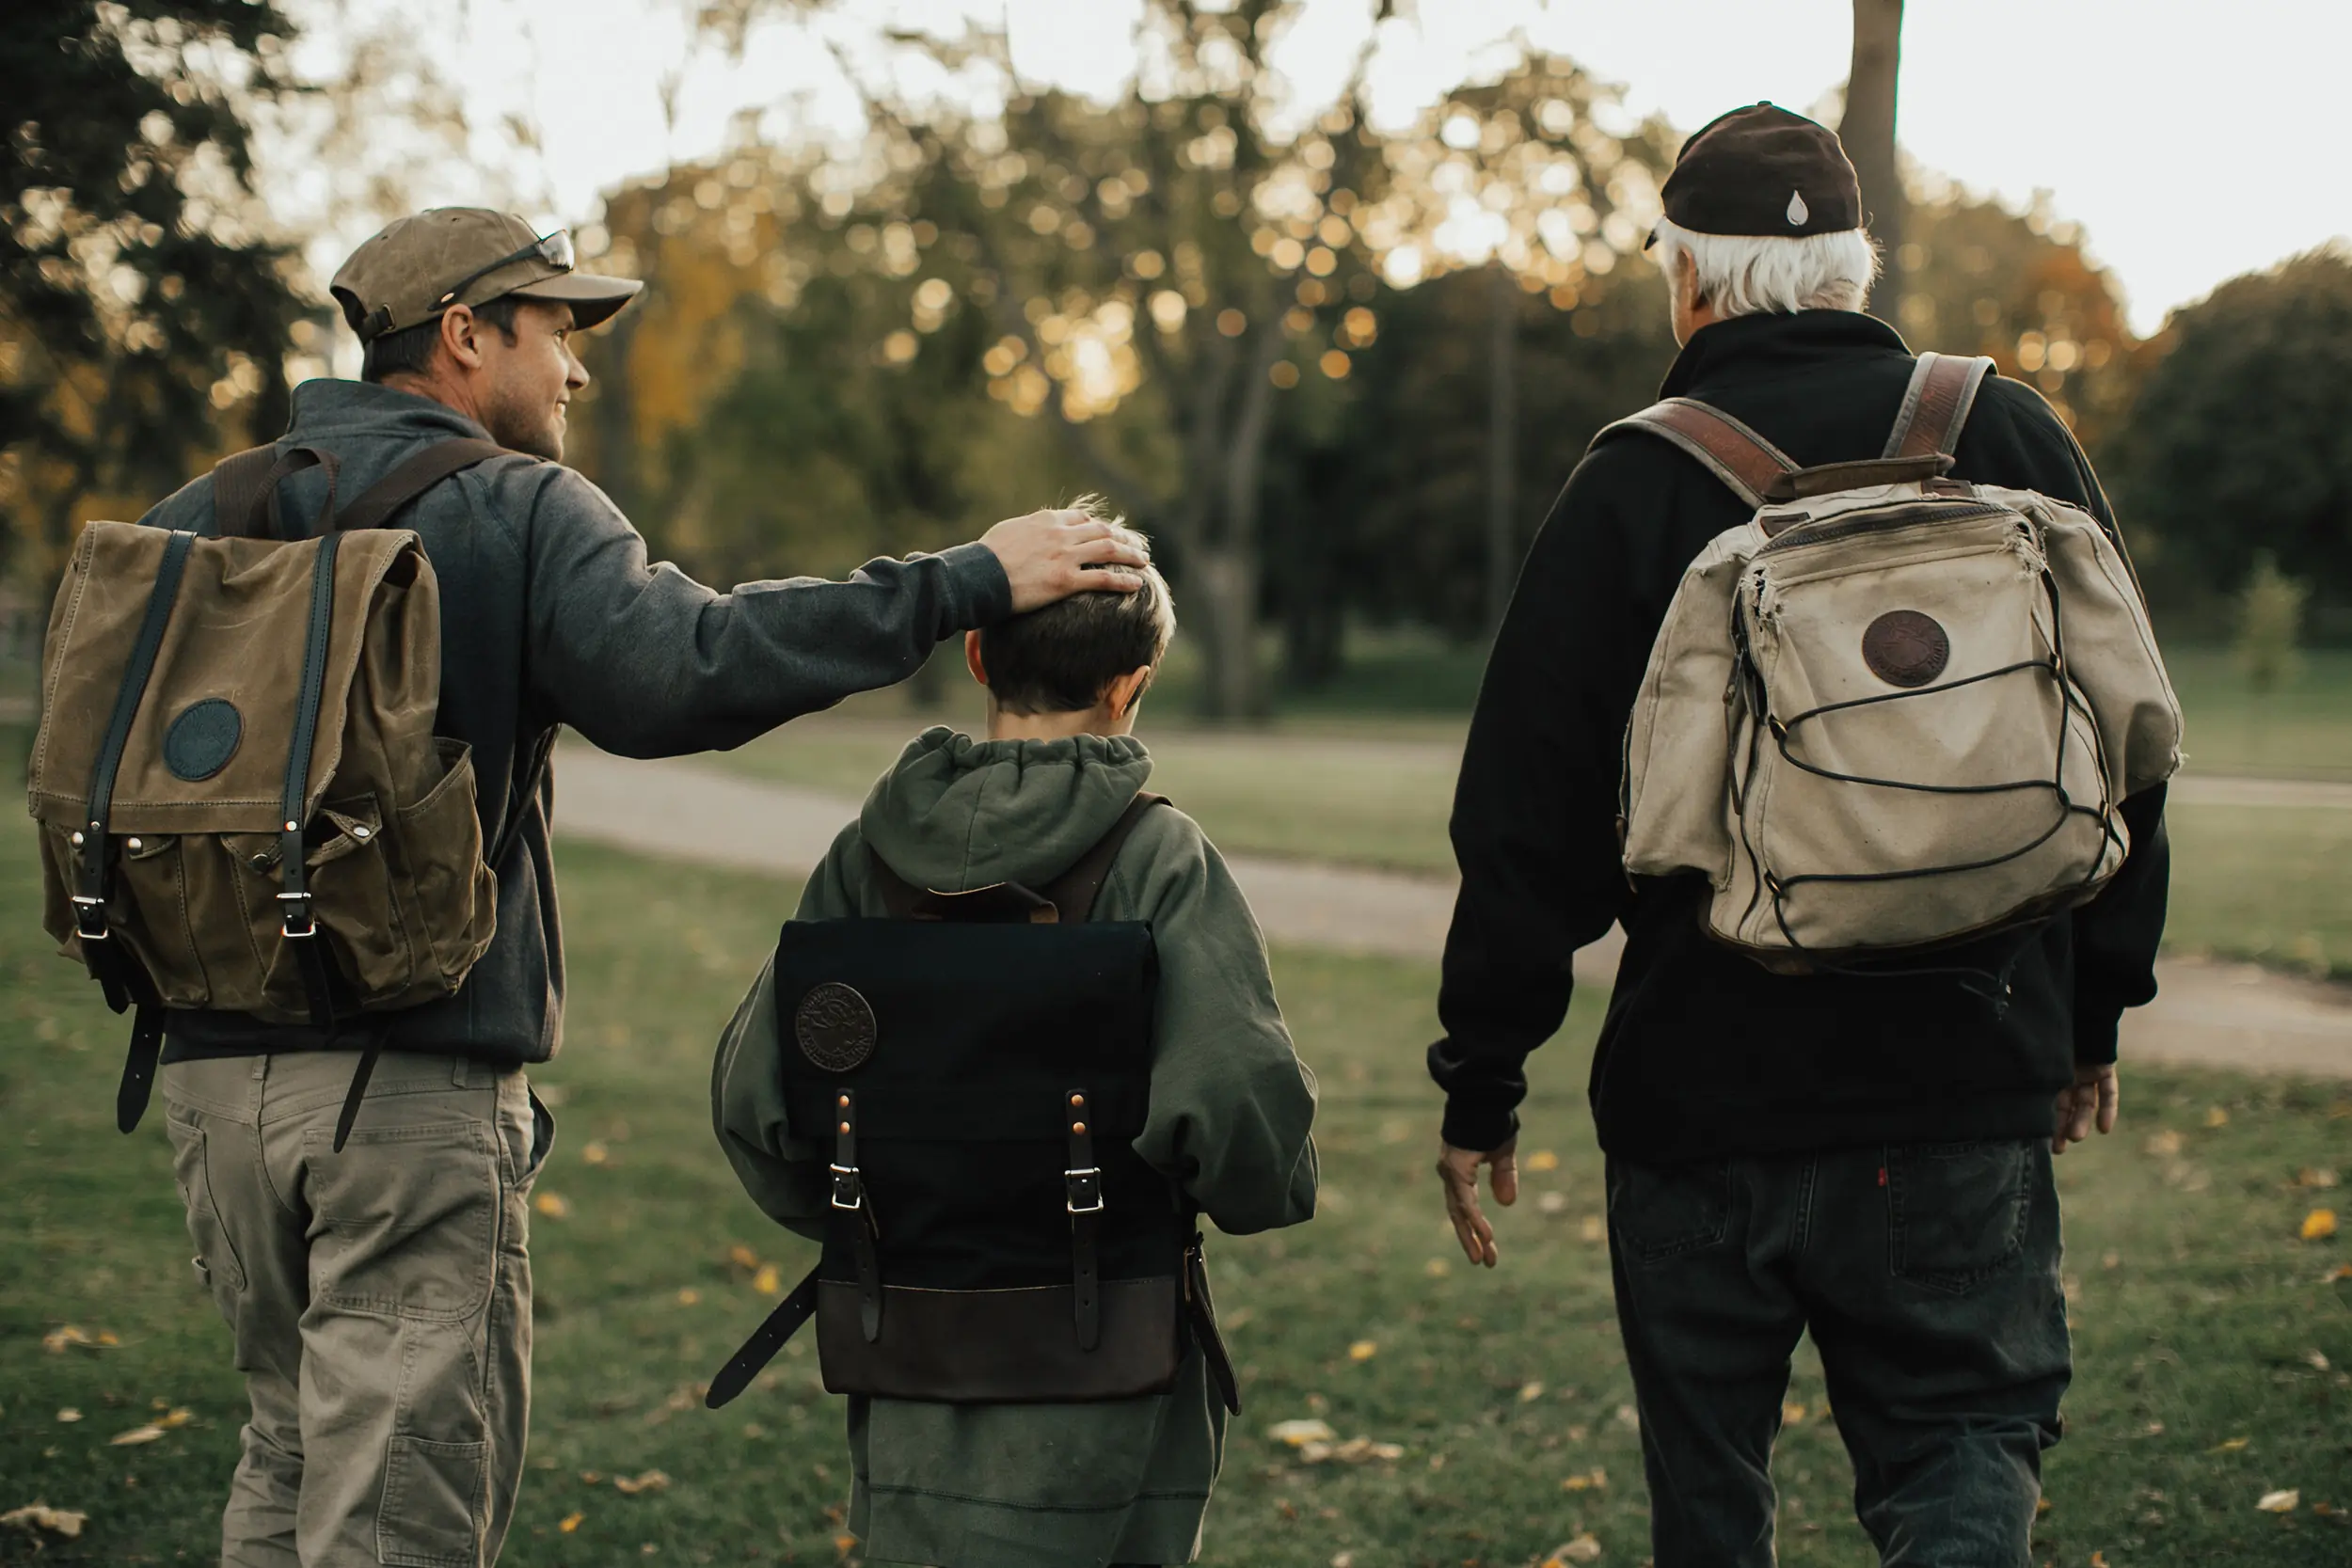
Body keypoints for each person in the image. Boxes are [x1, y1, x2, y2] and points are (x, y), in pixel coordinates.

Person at [145, 207, 1149, 1568]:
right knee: (398, 1506)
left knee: (287, 1448)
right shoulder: (511, 504)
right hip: (401, 1092)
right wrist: (960, 578)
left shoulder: (201, 511)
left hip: (208, 1088)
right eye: (556, 330)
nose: (575, 369)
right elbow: (690, 667)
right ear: (463, 334)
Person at [1426, 106, 2169, 1567]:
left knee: (1713, 1501)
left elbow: (1526, 824)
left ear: (1687, 282)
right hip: (1968, 1069)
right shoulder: (2006, 431)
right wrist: (2095, 1013)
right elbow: (2128, 747)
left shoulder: (1635, 480)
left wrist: (1483, 1081)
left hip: (1705, 1094)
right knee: (1962, 1444)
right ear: (1850, 269)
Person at [713, 521, 1318, 1568]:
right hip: (1112, 1353)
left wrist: (879, 1220)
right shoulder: (1159, 853)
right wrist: (1260, 1190)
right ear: (1131, 685)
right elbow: (1236, 1104)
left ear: (978, 654)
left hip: (909, 1351)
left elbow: (753, 1101)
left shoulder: (866, 857)